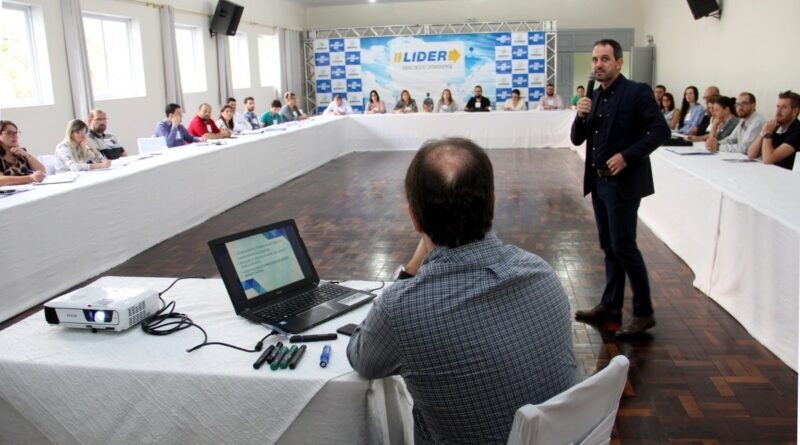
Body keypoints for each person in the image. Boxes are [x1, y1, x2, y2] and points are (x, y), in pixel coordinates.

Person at [347, 137, 576, 444]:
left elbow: (362, 359)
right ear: (492, 204)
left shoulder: (403, 309)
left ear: (414, 218)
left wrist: (413, 266)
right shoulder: (542, 272)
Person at [570, 39, 670, 337]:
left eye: (604, 59)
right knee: (609, 247)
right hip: (599, 183)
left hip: (623, 184)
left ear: (619, 62)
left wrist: (628, 156)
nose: (598, 65)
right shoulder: (593, 97)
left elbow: (661, 130)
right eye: (594, 59)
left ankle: (643, 313)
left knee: (625, 247)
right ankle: (611, 305)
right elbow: (577, 139)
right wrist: (580, 114)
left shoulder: (636, 92)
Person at [747, 90, 800, 170]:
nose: (778, 112)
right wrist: (763, 132)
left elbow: (768, 159)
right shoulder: (776, 127)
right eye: (778, 107)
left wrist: (768, 133)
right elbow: (751, 154)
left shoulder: (798, 131)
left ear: (795, 111)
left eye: (784, 107)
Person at [0, 120, 46, 185]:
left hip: (28, 191)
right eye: (9, 133)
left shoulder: (21, 152)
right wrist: (30, 178)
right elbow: (1, 180)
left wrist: (26, 155)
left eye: (16, 132)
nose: (15, 135)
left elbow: (42, 171)